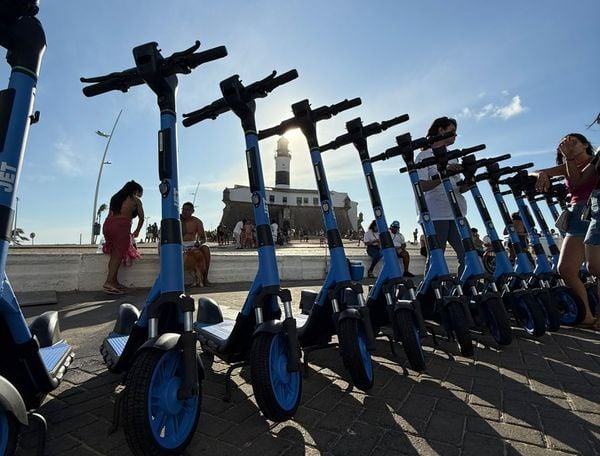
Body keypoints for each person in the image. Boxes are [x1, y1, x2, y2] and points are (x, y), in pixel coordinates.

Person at [533, 133, 599, 329]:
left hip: (596, 212)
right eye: (565, 142)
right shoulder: (566, 167)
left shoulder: (595, 161)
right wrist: (543, 175)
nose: (568, 144)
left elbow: (579, 182)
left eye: (574, 141)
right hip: (576, 217)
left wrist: (569, 158)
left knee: (596, 267)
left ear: (585, 144)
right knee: (567, 269)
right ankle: (585, 314)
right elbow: (535, 171)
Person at [415, 116, 467, 274]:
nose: (455, 135)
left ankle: (464, 289)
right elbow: (421, 186)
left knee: (468, 255)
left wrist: (470, 178)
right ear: (440, 130)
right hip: (435, 214)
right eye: (452, 131)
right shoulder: (423, 156)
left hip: (457, 213)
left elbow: (459, 187)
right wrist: (444, 173)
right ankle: (430, 294)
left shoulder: (453, 156)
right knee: (436, 257)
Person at [102, 180, 144, 294]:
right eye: (139, 193)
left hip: (108, 225)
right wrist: (137, 230)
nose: (139, 196)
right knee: (118, 255)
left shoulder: (115, 197)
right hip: (121, 226)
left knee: (114, 254)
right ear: (136, 191)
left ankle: (114, 281)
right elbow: (141, 218)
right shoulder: (135, 200)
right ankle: (109, 282)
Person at [180, 202, 211, 286]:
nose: (185, 211)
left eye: (187, 210)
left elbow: (203, 238)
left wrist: (199, 242)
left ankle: (205, 278)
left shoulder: (197, 221)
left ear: (192, 211)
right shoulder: (177, 220)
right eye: (183, 209)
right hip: (179, 245)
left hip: (192, 245)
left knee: (206, 249)